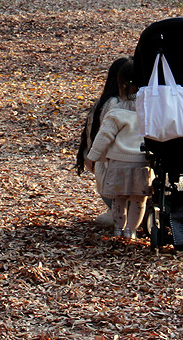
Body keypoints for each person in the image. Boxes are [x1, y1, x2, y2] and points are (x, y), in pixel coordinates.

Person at [85, 59, 152, 239]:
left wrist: (93, 156)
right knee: (139, 200)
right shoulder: (150, 113)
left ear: (121, 86)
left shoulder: (115, 112)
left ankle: (118, 229)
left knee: (118, 199)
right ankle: (131, 231)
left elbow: (103, 137)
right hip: (142, 164)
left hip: (118, 164)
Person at [76, 57, 131, 227]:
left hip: (109, 176)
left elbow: (92, 149)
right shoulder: (116, 105)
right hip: (118, 175)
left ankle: (122, 219)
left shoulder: (103, 103)